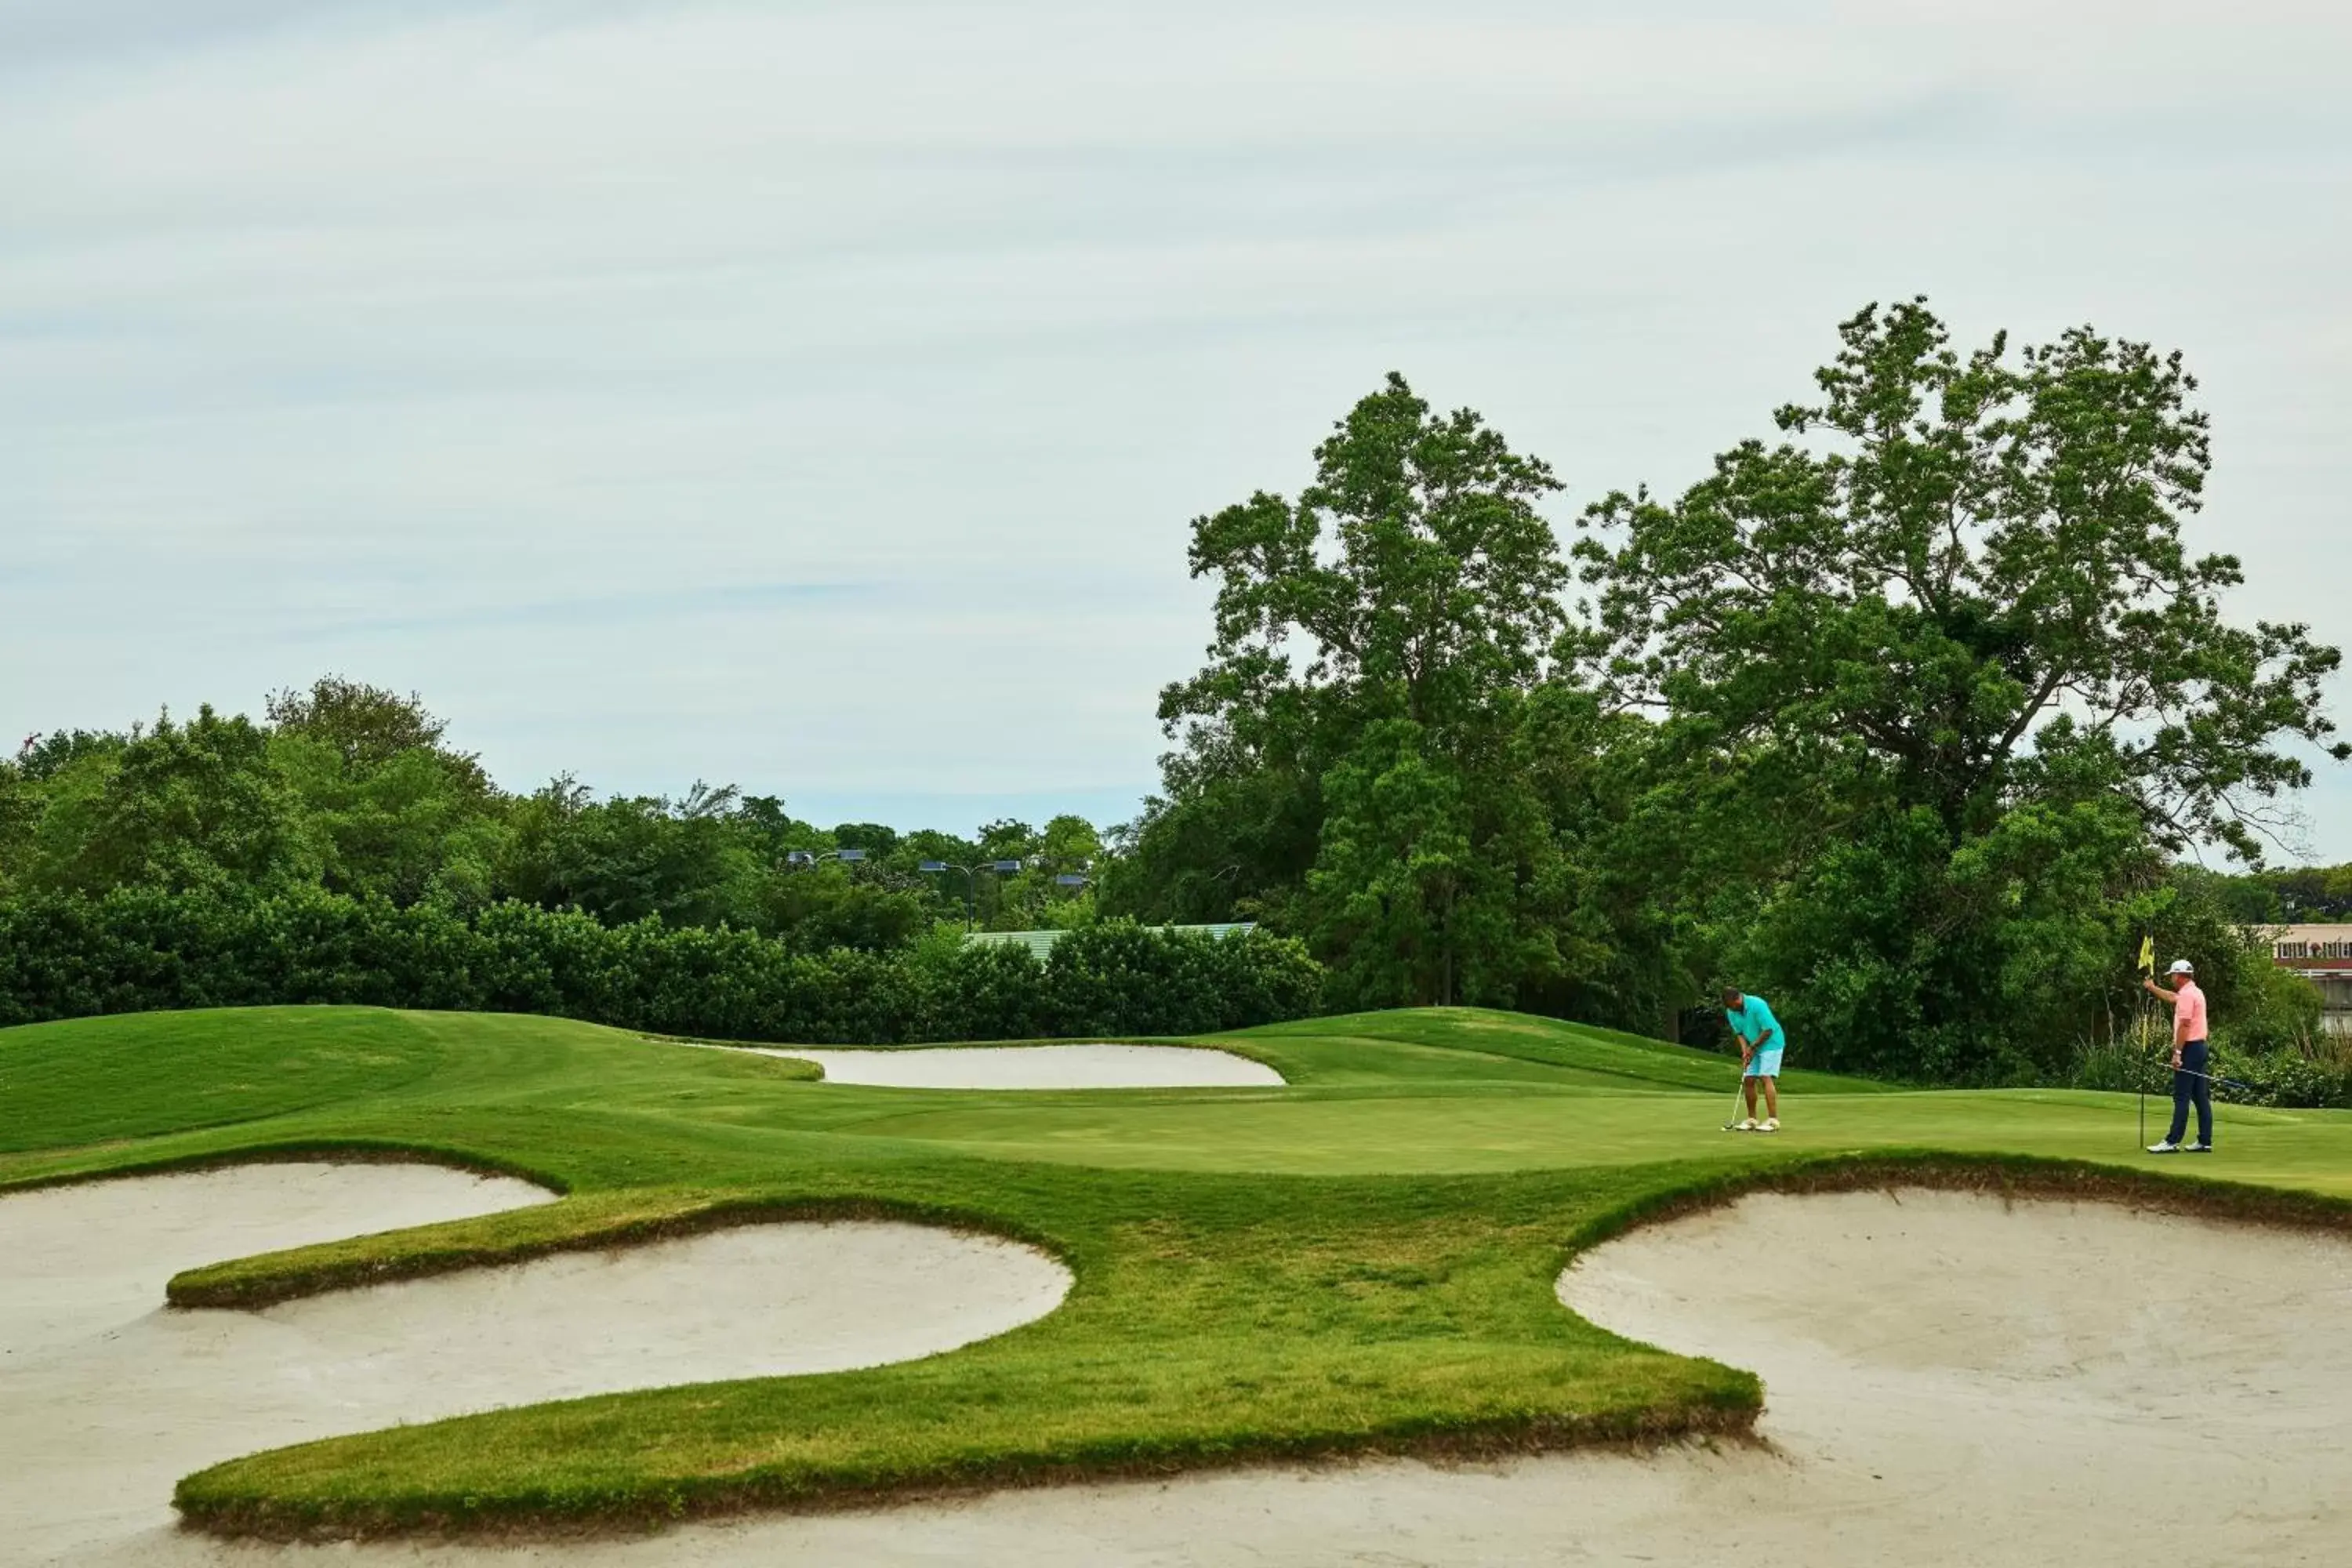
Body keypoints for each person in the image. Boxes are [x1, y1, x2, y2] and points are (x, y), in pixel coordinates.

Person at [2142, 959, 2212, 1154]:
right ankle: (2205, 1141)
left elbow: (2185, 1025)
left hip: (2189, 1048)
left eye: (2172, 975)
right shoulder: (2194, 991)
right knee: (2200, 1097)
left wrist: (2177, 1053)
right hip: (2200, 1047)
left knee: (2181, 1096)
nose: (2171, 978)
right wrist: (2152, 988)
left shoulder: (2188, 996)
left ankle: (2172, 1141)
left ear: (2180, 976)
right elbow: (2173, 997)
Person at [1722, 986, 1784, 1132]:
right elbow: (1740, 1033)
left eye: (1733, 1006)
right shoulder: (1731, 1011)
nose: (1732, 1010)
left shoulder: (1758, 1005)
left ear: (1738, 999)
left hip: (1772, 1043)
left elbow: (1768, 1030)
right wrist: (1745, 1051)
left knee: (1765, 1076)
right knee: (1749, 1079)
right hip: (1753, 1045)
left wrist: (1752, 1048)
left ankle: (1773, 1120)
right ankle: (1752, 1119)